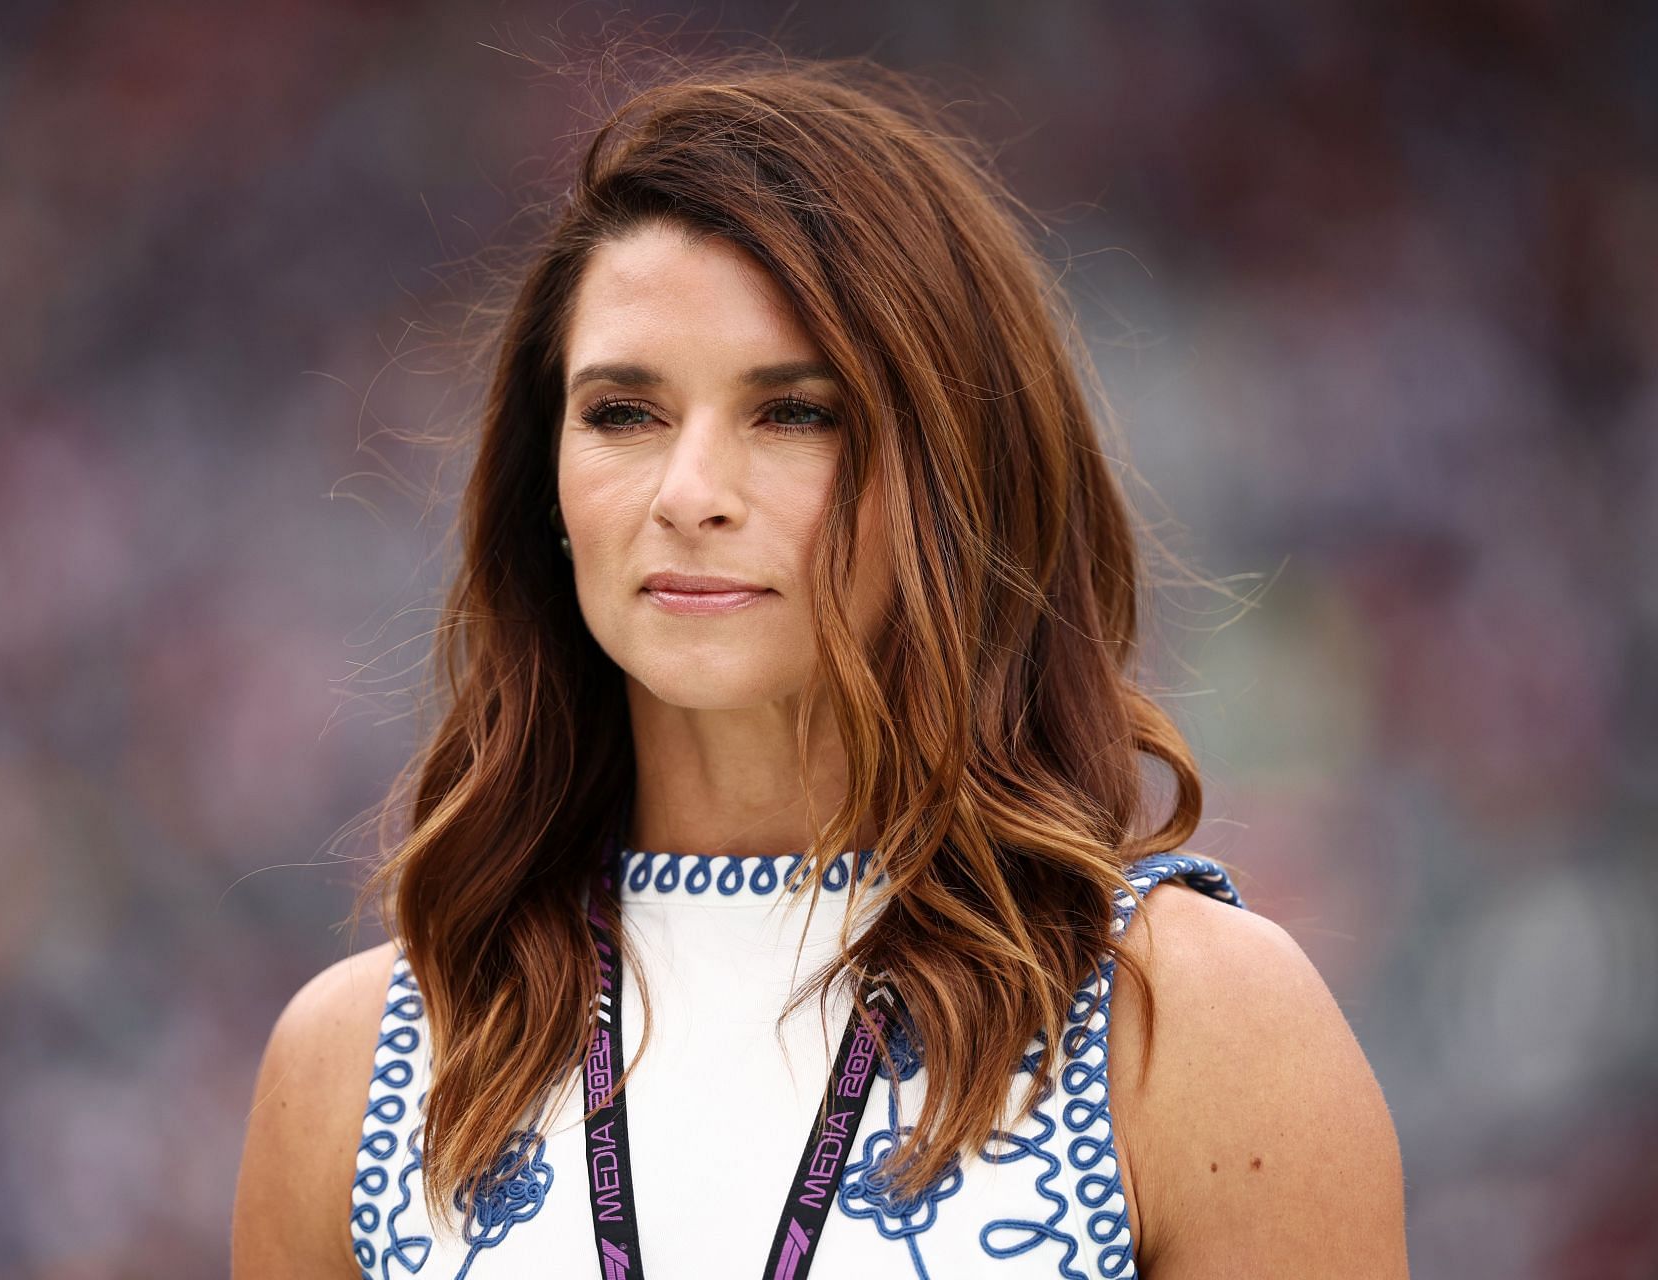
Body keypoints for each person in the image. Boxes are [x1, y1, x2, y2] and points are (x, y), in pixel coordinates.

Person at [231, 53, 1408, 1279]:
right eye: (623, 412)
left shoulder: (1194, 1029)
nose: (690, 494)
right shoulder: (354, 1063)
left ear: (961, 473)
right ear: (548, 488)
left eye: (794, 412)